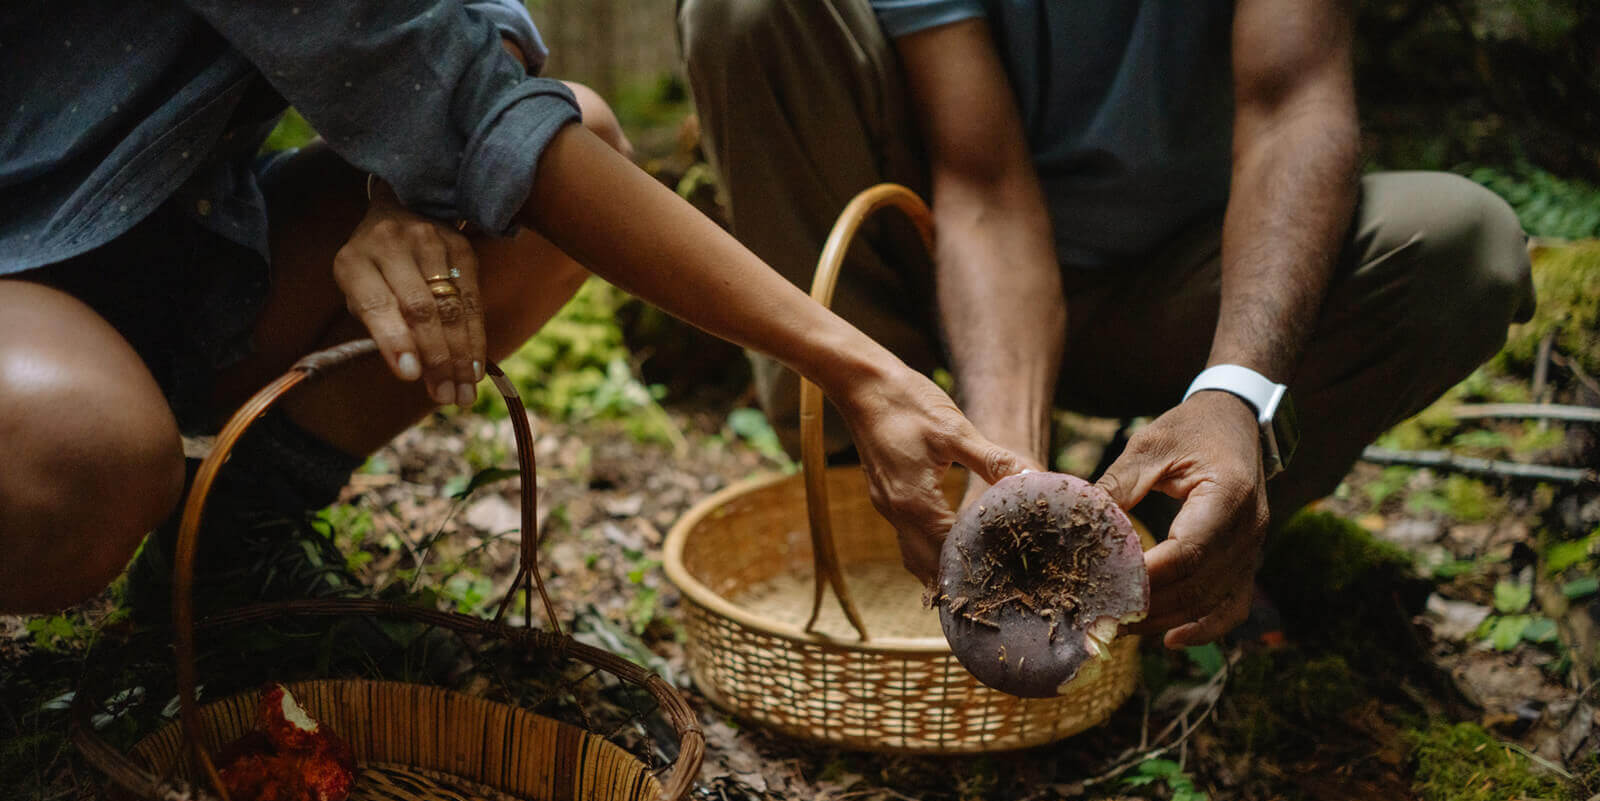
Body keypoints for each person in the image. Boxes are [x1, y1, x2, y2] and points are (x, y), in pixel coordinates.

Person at [0, 0, 1026, 617]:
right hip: (26, 258)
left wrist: (395, 190)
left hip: (170, 250)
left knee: (572, 131)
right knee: (82, 454)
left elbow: (490, 40)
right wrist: (857, 369)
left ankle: (223, 563)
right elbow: (477, 111)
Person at [678, 0, 1538, 648]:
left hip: (1186, 289)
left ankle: (1175, 569)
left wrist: (1234, 389)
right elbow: (982, 176)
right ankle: (879, 494)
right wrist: (1004, 469)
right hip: (957, 276)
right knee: (745, 10)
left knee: (1463, 245)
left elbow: (1294, 107)